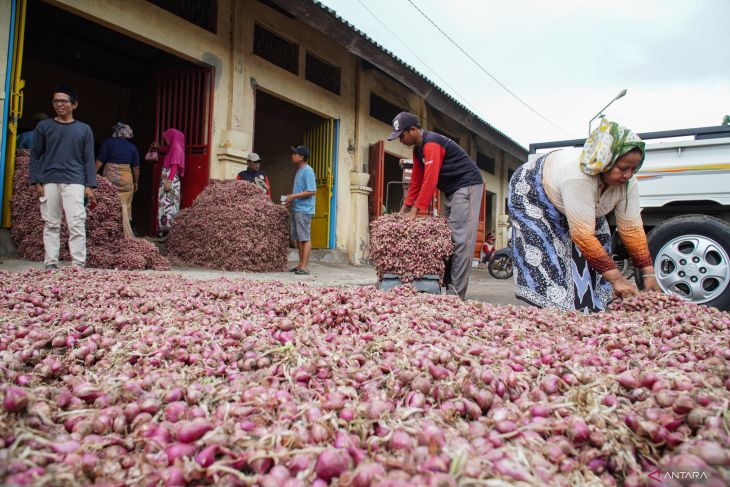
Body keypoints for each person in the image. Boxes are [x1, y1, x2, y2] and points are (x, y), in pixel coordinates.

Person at [508, 119, 660, 313]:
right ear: (605, 163)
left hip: (579, 199)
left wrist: (648, 274)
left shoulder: (628, 184)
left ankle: (590, 308)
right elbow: (582, 236)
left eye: (633, 168)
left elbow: (631, 229)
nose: (628, 175)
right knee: (550, 255)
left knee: (599, 244)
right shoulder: (577, 177)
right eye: (622, 169)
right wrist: (617, 279)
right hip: (534, 193)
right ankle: (555, 312)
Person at [387, 111, 484, 299]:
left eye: (402, 136)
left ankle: (456, 294)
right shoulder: (418, 150)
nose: (401, 140)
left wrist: (415, 212)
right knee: (446, 239)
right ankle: (446, 284)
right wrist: (403, 210)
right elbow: (416, 181)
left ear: (413, 130)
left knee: (461, 240)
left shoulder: (431, 144)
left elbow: (430, 181)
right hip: (452, 191)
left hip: (467, 187)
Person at [29, 84, 96, 269]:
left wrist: (90, 185)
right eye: (56, 101)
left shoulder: (84, 129)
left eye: (64, 101)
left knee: (76, 222)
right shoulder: (44, 126)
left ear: (74, 105)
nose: (59, 104)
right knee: (51, 223)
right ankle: (51, 262)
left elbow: (89, 159)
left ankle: (78, 263)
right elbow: (35, 155)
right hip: (49, 180)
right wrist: (35, 180)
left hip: (75, 181)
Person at [96, 123, 140, 238]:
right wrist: (136, 182)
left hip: (110, 177)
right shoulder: (132, 147)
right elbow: (136, 168)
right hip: (126, 179)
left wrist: (93, 175)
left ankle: (108, 230)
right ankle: (123, 231)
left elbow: (100, 160)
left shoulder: (108, 142)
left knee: (108, 201)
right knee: (125, 204)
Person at [285, 145, 316, 275]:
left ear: (301, 157)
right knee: (298, 238)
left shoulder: (308, 171)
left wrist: (293, 196)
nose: (292, 155)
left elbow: (312, 191)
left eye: (295, 154)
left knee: (305, 238)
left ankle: (304, 267)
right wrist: (291, 199)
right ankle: (300, 265)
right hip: (297, 208)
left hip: (304, 210)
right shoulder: (299, 171)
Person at [158, 128, 185, 237]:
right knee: (168, 203)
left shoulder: (176, 148)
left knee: (167, 204)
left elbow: (174, 165)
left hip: (170, 180)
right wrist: (159, 147)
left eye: (167, 137)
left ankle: (165, 230)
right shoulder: (175, 147)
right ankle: (166, 229)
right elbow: (166, 150)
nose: (166, 140)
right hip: (171, 179)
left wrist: (169, 180)